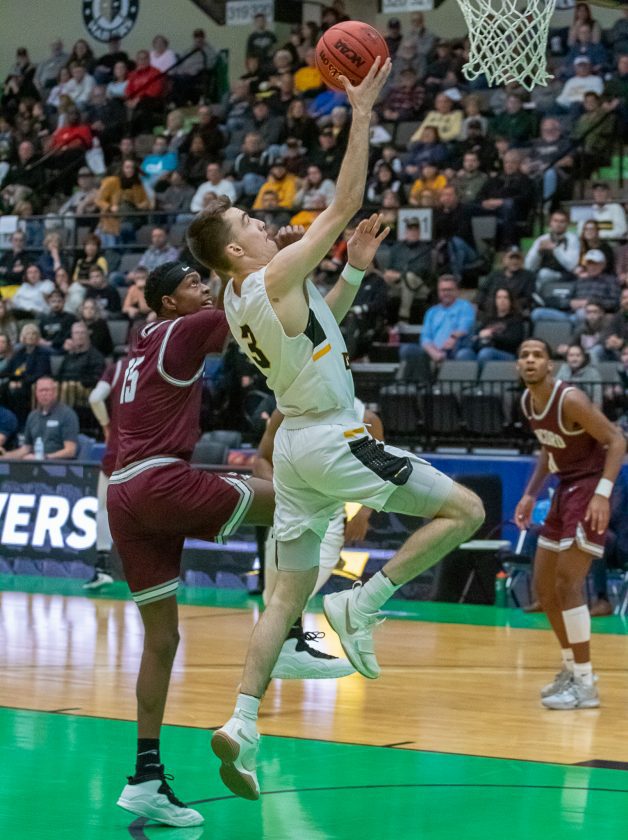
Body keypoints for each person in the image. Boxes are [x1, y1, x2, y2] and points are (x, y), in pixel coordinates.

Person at [187, 57, 484, 800]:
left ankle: (242, 723)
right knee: (466, 511)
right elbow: (346, 198)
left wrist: (351, 271)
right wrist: (363, 108)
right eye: (248, 223)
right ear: (235, 251)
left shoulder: (240, 298)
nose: (261, 221)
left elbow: (319, 331)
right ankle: (362, 601)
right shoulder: (271, 275)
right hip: (331, 438)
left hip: (294, 451)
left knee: (283, 599)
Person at [108, 261, 278, 827]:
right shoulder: (183, 329)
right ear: (169, 303)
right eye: (192, 285)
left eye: (204, 282)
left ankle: (145, 777)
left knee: (162, 640)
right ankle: (292, 632)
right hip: (160, 480)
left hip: (124, 492)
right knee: (292, 499)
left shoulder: (140, 344)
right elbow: (244, 300)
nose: (203, 289)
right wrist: (252, 256)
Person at [515, 338, 626, 710]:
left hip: (590, 487)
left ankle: (585, 684)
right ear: (518, 366)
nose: (531, 360)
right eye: (524, 355)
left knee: (568, 583)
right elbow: (549, 448)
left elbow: (617, 440)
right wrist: (530, 494)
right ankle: (572, 669)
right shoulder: (528, 402)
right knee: (544, 588)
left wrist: (603, 494)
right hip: (564, 488)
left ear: (551, 365)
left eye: (538, 355)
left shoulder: (570, 399)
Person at [254, 399, 384, 679]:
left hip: (329, 518)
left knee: (290, 598)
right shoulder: (287, 409)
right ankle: (284, 656)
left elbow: (380, 470)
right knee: (276, 600)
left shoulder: (366, 419)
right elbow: (261, 459)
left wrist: (364, 512)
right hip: (288, 514)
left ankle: (274, 666)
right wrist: (279, 490)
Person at [86, 358, 126, 589]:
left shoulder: (118, 366)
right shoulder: (162, 362)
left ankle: (103, 568)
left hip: (119, 446)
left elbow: (94, 398)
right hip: (152, 447)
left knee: (103, 507)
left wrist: (106, 425)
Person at [398, 274, 476, 380]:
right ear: (438, 292)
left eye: (449, 290)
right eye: (443, 290)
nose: (446, 293)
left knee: (464, 353)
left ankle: (457, 387)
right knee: (408, 349)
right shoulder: (432, 312)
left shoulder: (465, 306)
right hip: (434, 351)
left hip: (456, 349)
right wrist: (434, 353)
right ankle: (422, 385)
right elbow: (425, 337)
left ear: (457, 291)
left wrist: (453, 338)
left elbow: (465, 326)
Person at [0, 377, 79, 461]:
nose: (44, 393)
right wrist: (5, 457)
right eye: (41, 390)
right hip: (35, 465)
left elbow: (71, 451)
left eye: (47, 390)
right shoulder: (32, 416)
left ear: (55, 392)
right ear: (36, 394)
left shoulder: (67, 414)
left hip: (59, 466)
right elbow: (26, 448)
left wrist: (44, 458)